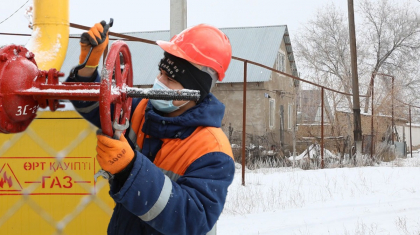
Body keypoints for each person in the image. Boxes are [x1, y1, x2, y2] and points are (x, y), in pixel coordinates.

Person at [66, 20, 235, 235]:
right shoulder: (141, 110)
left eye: (171, 79)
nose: (159, 81)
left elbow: (192, 219)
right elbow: (95, 107)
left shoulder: (213, 150)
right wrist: (88, 69)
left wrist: (130, 169)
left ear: (196, 90)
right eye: (161, 73)